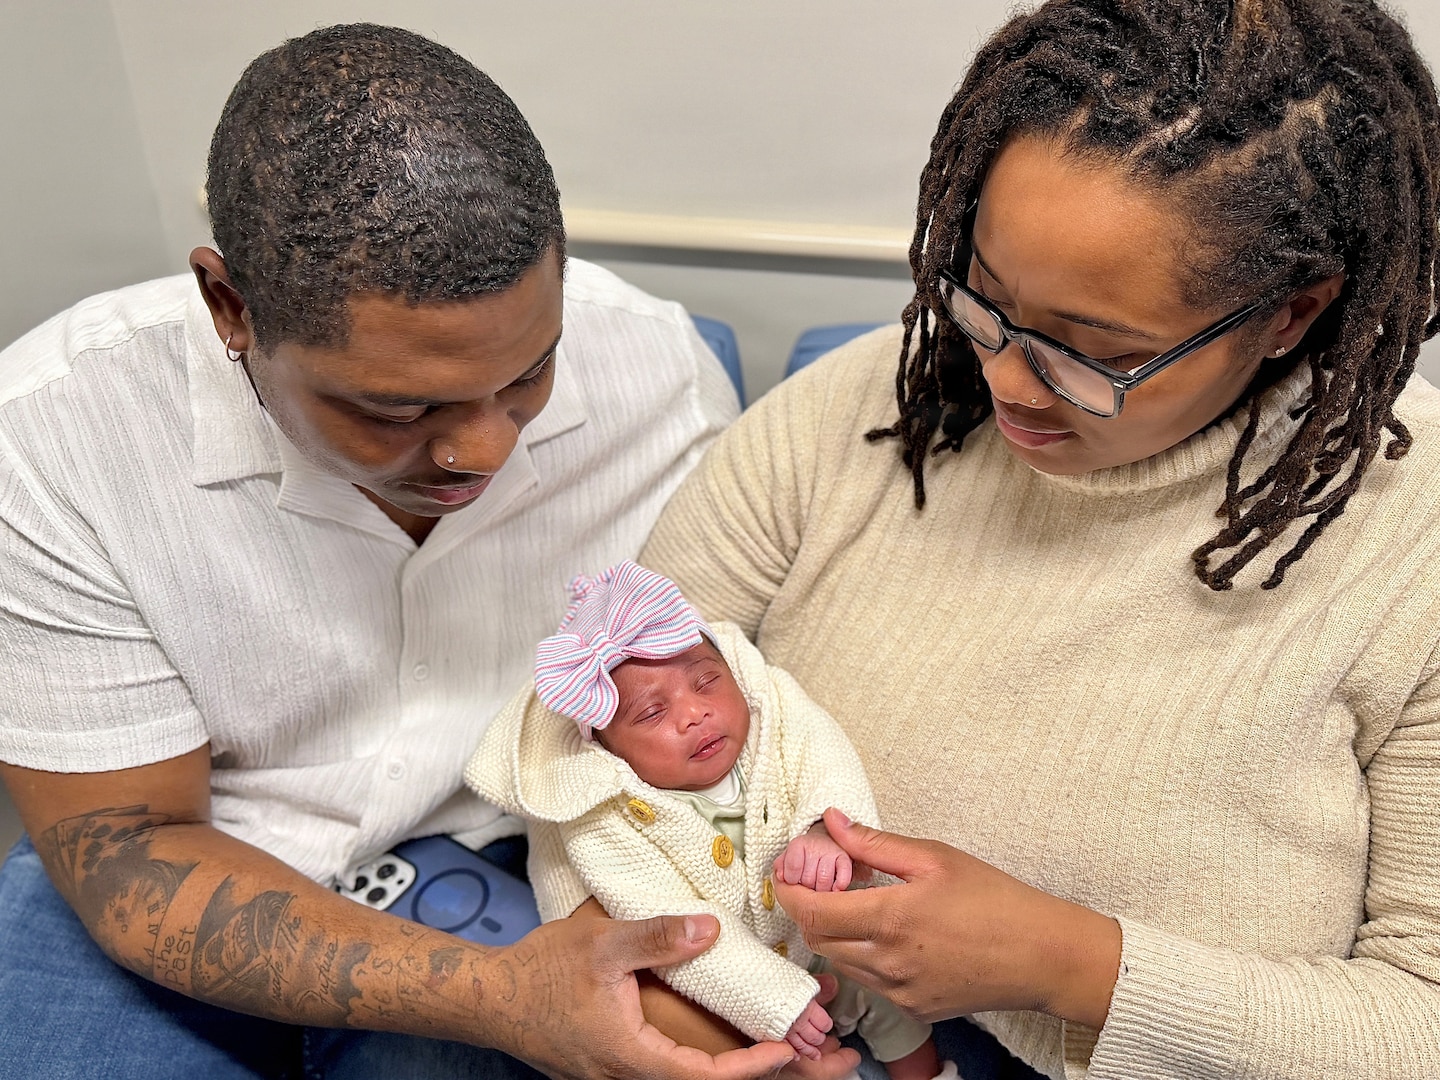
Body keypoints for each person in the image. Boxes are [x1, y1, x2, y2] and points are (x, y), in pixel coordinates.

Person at [640, 0, 1440, 1077]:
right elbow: (595, 737)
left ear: (1292, 314)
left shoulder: (1413, 536)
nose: (1006, 381)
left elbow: (1420, 1023)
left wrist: (1073, 967)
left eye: (1092, 351)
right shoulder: (858, 412)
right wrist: (693, 996)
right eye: (984, 297)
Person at [0, 23, 810, 1080]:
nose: (482, 448)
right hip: (186, 861)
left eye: (528, 376)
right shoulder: (52, 436)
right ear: (229, 308)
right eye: (396, 407)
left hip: (512, 859)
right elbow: (126, 845)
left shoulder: (656, 373)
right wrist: (500, 999)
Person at [467, 561, 956, 1080]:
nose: (694, 713)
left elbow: (826, 757)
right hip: (730, 982)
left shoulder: (773, 715)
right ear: (610, 751)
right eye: (653, 714)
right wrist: (770, 1000)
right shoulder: (606, 818)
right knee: (761, 1053)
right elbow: (667, 919)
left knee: (891, 995)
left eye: (706, 681)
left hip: (822, 943)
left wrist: (824, 829)